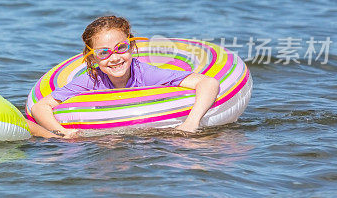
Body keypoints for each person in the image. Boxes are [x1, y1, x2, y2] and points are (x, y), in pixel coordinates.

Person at [30, 15, 220, 138]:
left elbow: (208, 82)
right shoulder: (92, 80)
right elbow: (41, 107)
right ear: (93, 59)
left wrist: (191, 123)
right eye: (104, 53)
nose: (115, 58)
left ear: (131, 47)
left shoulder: (146, 73)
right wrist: (62, 133)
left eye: (121, 48)